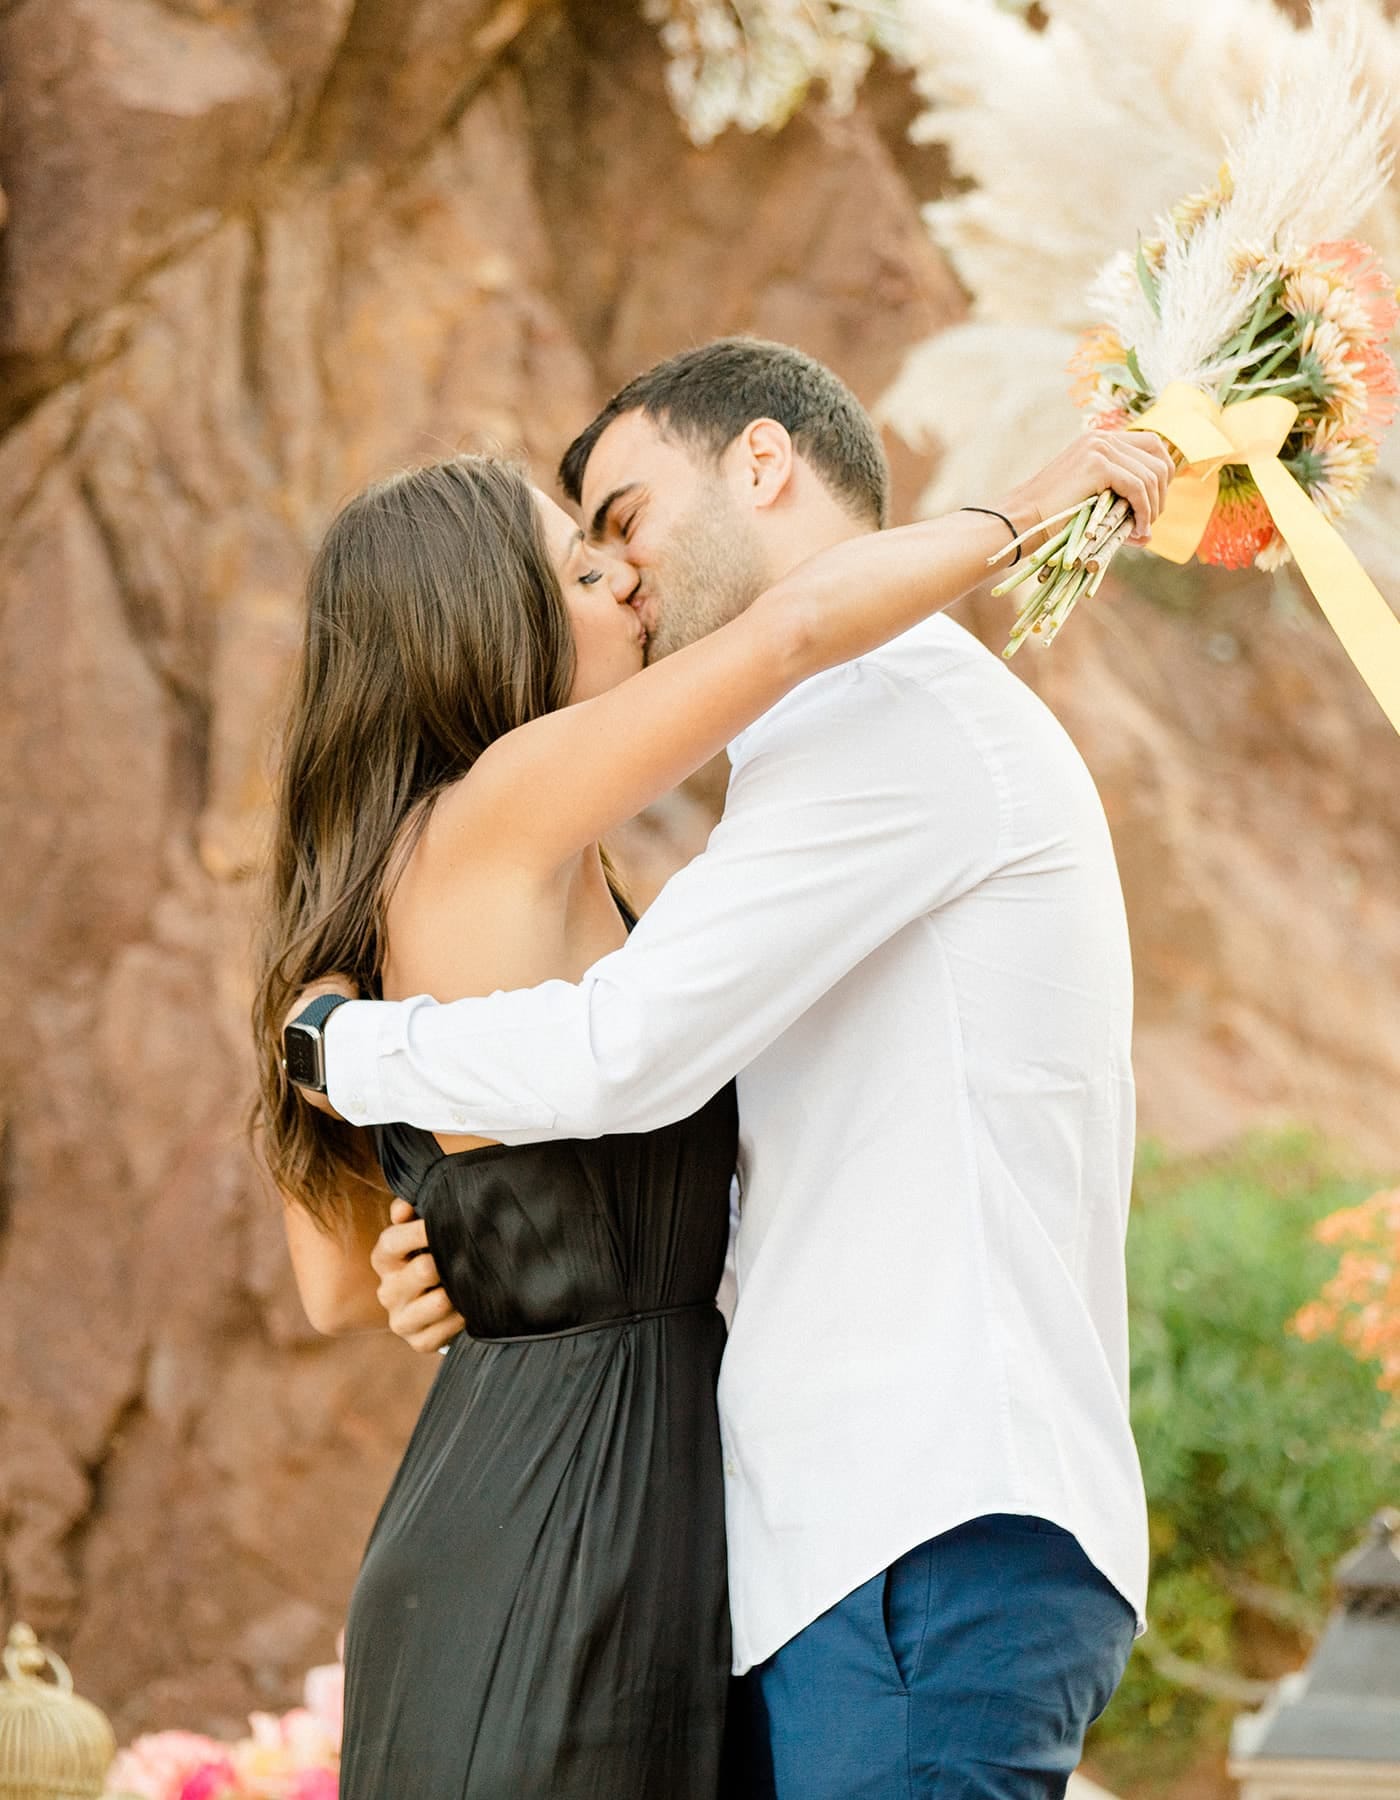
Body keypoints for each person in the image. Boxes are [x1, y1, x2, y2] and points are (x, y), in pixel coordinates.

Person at [272, 339, 1172, 1798]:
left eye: (620, 523)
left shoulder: (881, 722)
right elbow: (632, 1071)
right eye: (584, 562)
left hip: (895, 1529)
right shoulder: (540, 812)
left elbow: (629, 1065)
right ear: (486, 621)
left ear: (762, 464)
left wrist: (371, 1076)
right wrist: (467, 1234)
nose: (622, 580)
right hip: (682, 1519)